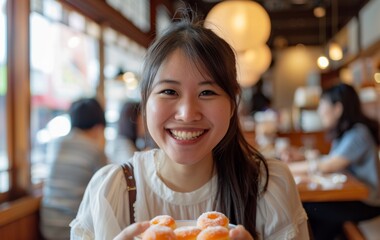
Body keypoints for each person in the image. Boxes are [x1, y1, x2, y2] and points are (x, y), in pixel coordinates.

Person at [70, 13, 309, 240]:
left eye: (207, 92)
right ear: (145, 101)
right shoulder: (112, 192)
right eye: (169, 91)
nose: (187, 114)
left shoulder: (268, 186)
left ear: (233, 103)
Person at [285, 83, 380, 240]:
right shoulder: (346, 133)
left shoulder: (358, 133)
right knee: (317, 215)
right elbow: (331, 160)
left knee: (309, 208)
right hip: (354, 198)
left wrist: (286, 168)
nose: (319, 111)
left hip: (368, 202)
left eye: (322, 104)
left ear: (338, 108)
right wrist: (302, 158)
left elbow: (329, 165)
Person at [40, 97, 108, 240]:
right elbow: (106, 188)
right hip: (72, 230)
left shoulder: (56, 144)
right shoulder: (94, 150)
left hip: (47, 226)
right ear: (99, 126)